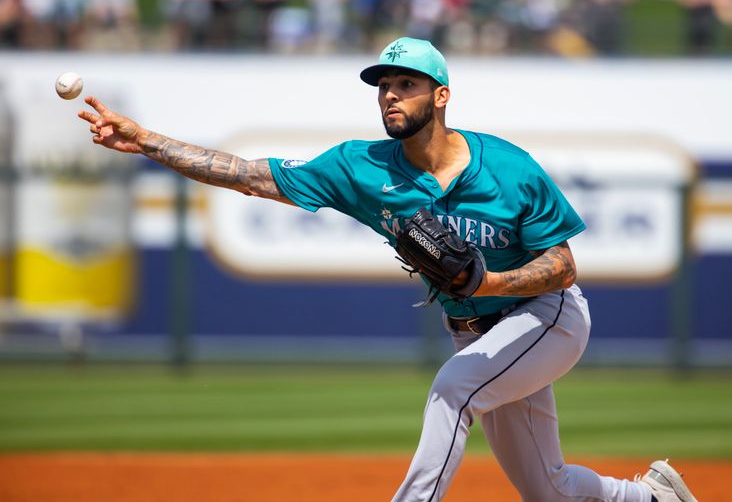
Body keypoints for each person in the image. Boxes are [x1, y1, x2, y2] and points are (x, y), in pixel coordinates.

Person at [77, 37, 698, 502]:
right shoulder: (359, 166)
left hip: (548, 317)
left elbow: (562, 267)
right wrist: (148, 141)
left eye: (405, 84)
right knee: (549, 490)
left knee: (452, 391)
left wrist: (492, 284)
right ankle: (654, 497)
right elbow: (250, 176)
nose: (390, 96)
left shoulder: (509, 168)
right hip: (475, 331)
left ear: (441, 96)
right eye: (383, 86)